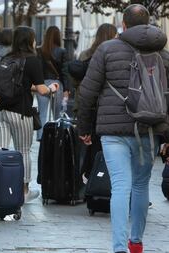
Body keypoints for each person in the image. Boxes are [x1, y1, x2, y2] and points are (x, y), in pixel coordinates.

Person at [78, 4, 169, 253]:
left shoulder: (107, 50)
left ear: (124, 25)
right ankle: (136, 242)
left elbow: (87, 92)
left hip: (113, 132)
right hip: (149, 130)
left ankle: (119, 247)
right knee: (141, 186)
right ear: (148, 23)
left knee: (120, 186)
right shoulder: (163, 54)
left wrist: (84, 127)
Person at [0, 26, 59, 203]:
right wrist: (52, 88)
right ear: (30, 40)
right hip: (20, 112)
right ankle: (23, 191)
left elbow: (19, 84)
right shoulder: (32, 60)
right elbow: (41, 89)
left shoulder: (6, 58)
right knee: (23, 151)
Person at [74, 23, 117, 182]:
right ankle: (100, 182)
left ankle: (90, 178)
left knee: (91, 147)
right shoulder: (111, 56)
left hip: (87, 106)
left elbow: (79, 83)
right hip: (104, 108)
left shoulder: (85, 54)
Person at [36, 26, 70, 141]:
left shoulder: (39, 50)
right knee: (57, 114)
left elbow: (38, 69)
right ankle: (57, 134)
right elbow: (64, 72)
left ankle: (41, 137)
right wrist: (66, 89)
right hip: (56, 85)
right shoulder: (62, 51)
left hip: (42, 84)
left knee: (42, 113)